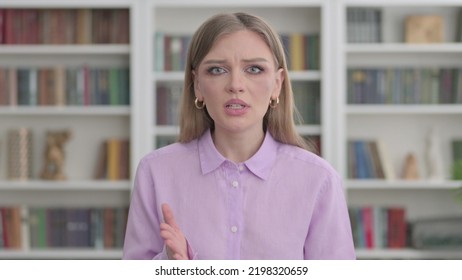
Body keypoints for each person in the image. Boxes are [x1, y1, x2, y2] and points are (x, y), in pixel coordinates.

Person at [122, 12, 355, 260]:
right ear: (197, 85)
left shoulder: (319, 179)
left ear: (277, 84)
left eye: (254, 69)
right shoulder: (155, 171)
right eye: (217, 69)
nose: (235, 84)